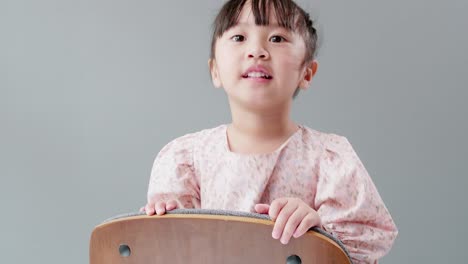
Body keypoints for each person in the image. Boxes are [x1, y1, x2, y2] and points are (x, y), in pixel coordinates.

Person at [141, 0, 398, 263]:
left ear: (307, 73)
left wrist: (319, 232)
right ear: (215, 70)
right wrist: (163, 222)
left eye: (277, 38)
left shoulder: (330, 160)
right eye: (239, 37)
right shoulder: (186, 159)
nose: (257, 50)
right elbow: (168, 250)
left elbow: (360, 248)